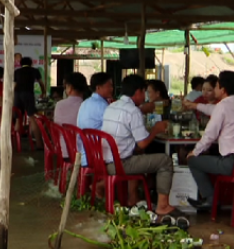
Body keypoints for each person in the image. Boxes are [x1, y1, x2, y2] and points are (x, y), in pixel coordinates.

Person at [101, 74, 174, 215]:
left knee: (139, 154)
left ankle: (133, 197)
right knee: (165, 161)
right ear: (138, 92)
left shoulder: (112, 106)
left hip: (106, 160)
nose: (145, 96)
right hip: (121, 163)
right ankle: (162, 205)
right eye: (144, 92)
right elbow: (143, 143)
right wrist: (156, 129)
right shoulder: (133, 111)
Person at [187, 71, 234, 211]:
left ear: (222, 89)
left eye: (216, 86)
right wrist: (196, 106)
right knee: (209, 156)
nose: (215, 89)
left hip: (232, 163)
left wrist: (195, 152)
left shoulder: (223, 106)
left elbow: (209, 135)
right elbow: (213, 110)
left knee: (193, 161)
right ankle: (214, 197)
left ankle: (210, 199)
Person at [75, 72, 113, 167]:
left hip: (84, 153)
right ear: (98, 88)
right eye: (109, 86)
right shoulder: (103, 106)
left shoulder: (85, 103)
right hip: (98, 156)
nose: (112, 89)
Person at [54, 72, 87, 158]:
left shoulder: (59, 105)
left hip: (63, 150)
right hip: (82, 154)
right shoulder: (86, 106)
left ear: (70, 88)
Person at [14, 57, 46, 140]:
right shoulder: (35, 71)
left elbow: (14, 85)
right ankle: (39, 143)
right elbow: (41, 83)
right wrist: (43, 92)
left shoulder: (17, 71)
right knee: (32, 118)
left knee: (18, 119)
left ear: (21, 64)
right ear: (31, 63)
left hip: (17, 95)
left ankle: (16, 142)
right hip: (28, 94)